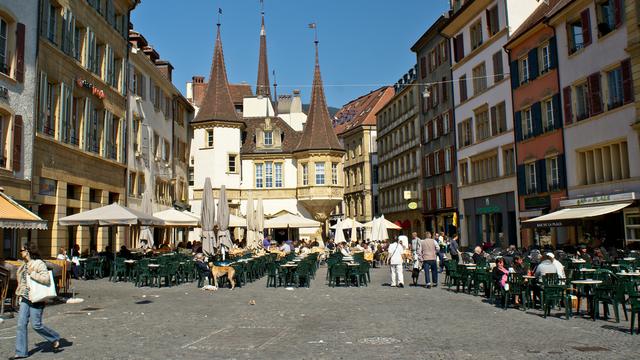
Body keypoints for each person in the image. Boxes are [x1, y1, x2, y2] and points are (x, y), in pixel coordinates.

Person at [13, 244, 62, 359]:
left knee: (36, 325)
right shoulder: (24, 264)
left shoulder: (39, 263)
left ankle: (54, 337)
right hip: (26, 297)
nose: (20, 252)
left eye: (22, 250)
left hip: (37, 298)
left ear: (28, 251)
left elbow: (46, 279)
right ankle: (21, 352)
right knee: (21, 324)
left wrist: (33, 273)